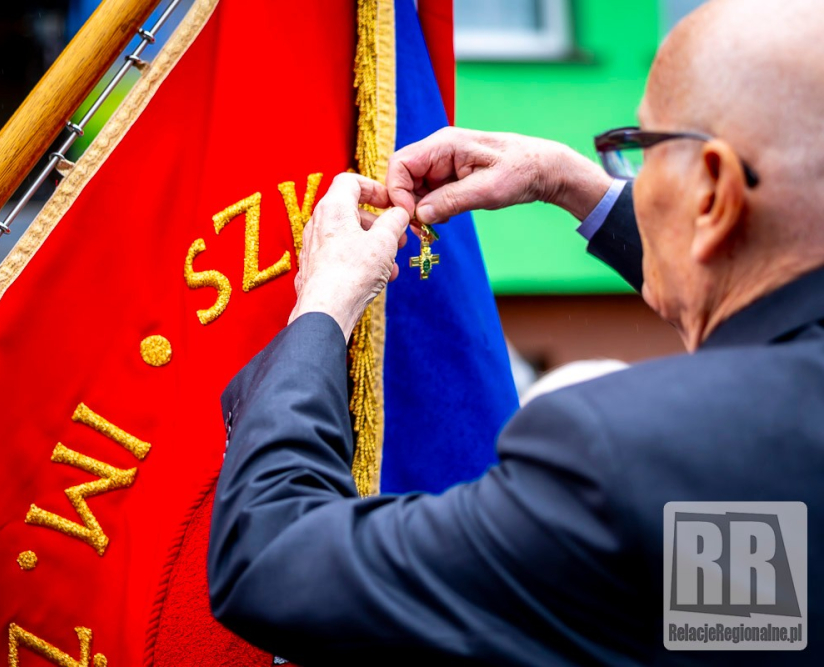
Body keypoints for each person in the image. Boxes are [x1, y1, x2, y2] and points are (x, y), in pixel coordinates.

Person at [207, 0, 823, 664]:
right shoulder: (768, 455)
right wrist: (571, 183)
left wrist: (323, 303)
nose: (631, 181)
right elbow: (747, 631)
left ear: (713, 189)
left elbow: (274, 561)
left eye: (638, 152)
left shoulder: (635, 456)